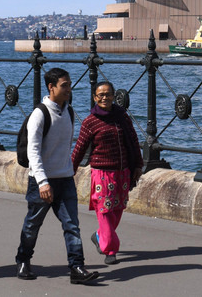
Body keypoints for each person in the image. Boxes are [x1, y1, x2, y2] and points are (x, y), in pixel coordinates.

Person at [14, 68, 98, 285]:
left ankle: (77, 267)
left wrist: (69, 169)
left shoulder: (69, 112)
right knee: (33, 224)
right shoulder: (39, 114)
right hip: (42, 181)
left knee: (72, 225)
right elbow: (33, 152)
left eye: (69, 84)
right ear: (51, 87)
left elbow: (65, 147)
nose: (69, 89)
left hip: (65, 178)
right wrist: (43, 182)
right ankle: (23, 260)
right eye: (64, 85)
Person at [71, 81, 142, 265]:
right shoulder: (90, 122)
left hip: (123, 172)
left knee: (117, 210)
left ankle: (99, 236)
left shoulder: (122, 117)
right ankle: (110, 249)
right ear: (95, 97)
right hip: (102, 173)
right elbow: (79, 148)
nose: (104, 98)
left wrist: (138, 165)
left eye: (108, 94)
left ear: (113, 96)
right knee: (105, 211)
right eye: (100, 95)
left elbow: (133, 140)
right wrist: (70, 170)